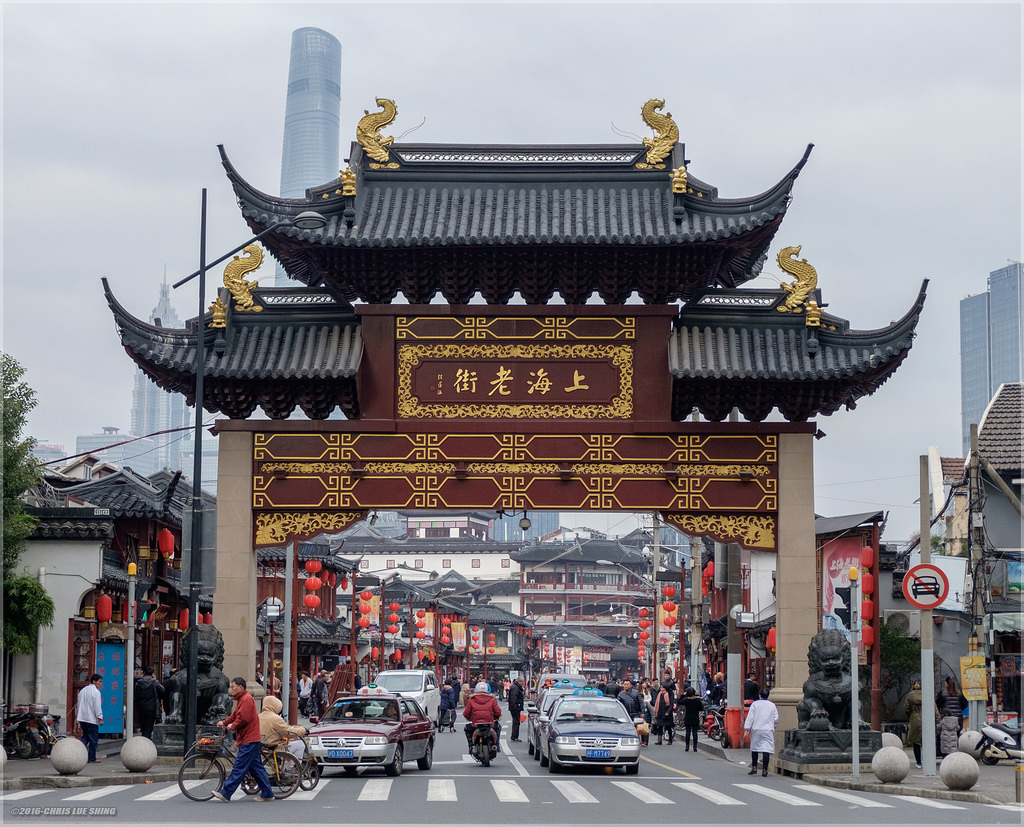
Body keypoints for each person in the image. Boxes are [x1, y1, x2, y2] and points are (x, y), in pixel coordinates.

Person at [213, 677, 275, 802]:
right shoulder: (243, 699)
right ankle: (267, 792)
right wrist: (224, 722)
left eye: (233, 686)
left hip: (249, 739)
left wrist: (232, 726)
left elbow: (243, 719)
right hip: (250, 738)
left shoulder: (246, 700)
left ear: (241, 687)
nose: (231, 689)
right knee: (256, 768)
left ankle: (226, 792)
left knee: (239, 767)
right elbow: (235, 715)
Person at [259, 694, 307, 762]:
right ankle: (292, 768)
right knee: (300, 744)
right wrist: (303, 730)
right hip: (276, 747)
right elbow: (288, 732)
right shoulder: (275, 718)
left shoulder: (258, 717)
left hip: (262, 747)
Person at [743, 688, 779, 777]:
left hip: (756, 728)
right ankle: (764, 770)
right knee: (766, 749)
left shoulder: (755, 704)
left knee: (755, 748)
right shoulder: (772, 705)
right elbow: (776, 718)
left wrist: (747, 728)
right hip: (767, 729)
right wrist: (773, 726)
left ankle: (754, 767)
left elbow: (750, 717)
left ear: (759, 695)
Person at [463, 681, 502, 751]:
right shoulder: (492, 699)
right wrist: (497, 716)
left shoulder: (471, 700)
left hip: (475, 724)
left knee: (467, 729)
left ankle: (471, 745)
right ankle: (496, 745)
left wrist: (469, 717)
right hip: (490, 724)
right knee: (498, 727)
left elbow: (466, 714)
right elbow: (498, 712)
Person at [936, 675, 966, 757]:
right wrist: (958, 711)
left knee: (945, 738)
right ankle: (955, 753)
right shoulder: (959, 693)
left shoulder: (942, 693)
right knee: (955, 737)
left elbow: (937, 705)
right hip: (958, 719)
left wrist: (942, 712)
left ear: (946, 683)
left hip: (946, 719)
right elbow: (964, 704)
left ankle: (945, 754)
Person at [77, 673, 104, 763]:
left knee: (86, 736)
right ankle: (91, 757)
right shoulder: (96, 692)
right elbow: (97, 706)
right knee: (93, 739)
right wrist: (100, 717)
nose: (100, 683)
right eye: (99, 682)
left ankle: (78, 752)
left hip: (82, 717)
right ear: (94, 681)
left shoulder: (83, 690)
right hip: (91, 719)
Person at [134, 666, 165, 739]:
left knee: (143, 725)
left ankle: (144, 738)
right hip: (151, 707)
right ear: (152, 674)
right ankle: (147, 740)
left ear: (144, 673)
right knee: (149, 726)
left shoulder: (138, 683)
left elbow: (135, 695)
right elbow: (163, 690)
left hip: (140, 707)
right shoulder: (154, 682)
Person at [617, 679, 647, 746]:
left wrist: (642, 712)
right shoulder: (621, 694)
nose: (626, 686)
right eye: (624, 684)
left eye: (627, 684)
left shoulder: (636, 693)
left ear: (631, 685)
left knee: (639, 727)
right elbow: (619, 704)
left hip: (636, 713)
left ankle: (644, 741)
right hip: (626, 714)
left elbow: (641, 703)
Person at [904, 679, 924, 767]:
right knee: (926, 741)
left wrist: (911, 716)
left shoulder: (910, 696)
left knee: (916, 742)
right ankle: (927, 761)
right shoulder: (927, 694)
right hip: (926, 719)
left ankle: (918, 762)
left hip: (915, 719)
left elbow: (906, 709)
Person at [680, 686, 704, 752]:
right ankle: (695, 747)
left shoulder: (686, 700)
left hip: (688, 717)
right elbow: (701, 708)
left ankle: (687, 746)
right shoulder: (698, 700)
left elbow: (679, 701)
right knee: (695, 733)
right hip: (695, 718)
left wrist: (682, 695)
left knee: (687, 733)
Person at [652, 680, 675, 745]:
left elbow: (671, 704)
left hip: (667, 712)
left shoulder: (669, 693)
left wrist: (668, 712)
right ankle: (659, 740)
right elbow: (657, 702)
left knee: (668, 727)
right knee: (659, 726)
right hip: (660, 712)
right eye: (661, 687)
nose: (661, 688)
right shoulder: (660, 694)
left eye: (663, 687)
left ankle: (670, 739)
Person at [508, 676, 525, 741]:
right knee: (516, 722)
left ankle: (514, 736)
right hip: (515, 707)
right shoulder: (515, 688)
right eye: (522, 681)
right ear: (519, 682)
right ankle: (514, 736)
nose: (523, 683)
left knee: (516, 721)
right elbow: (513, 698)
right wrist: (516, 707)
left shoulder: (516, 687)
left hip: (515, 707)